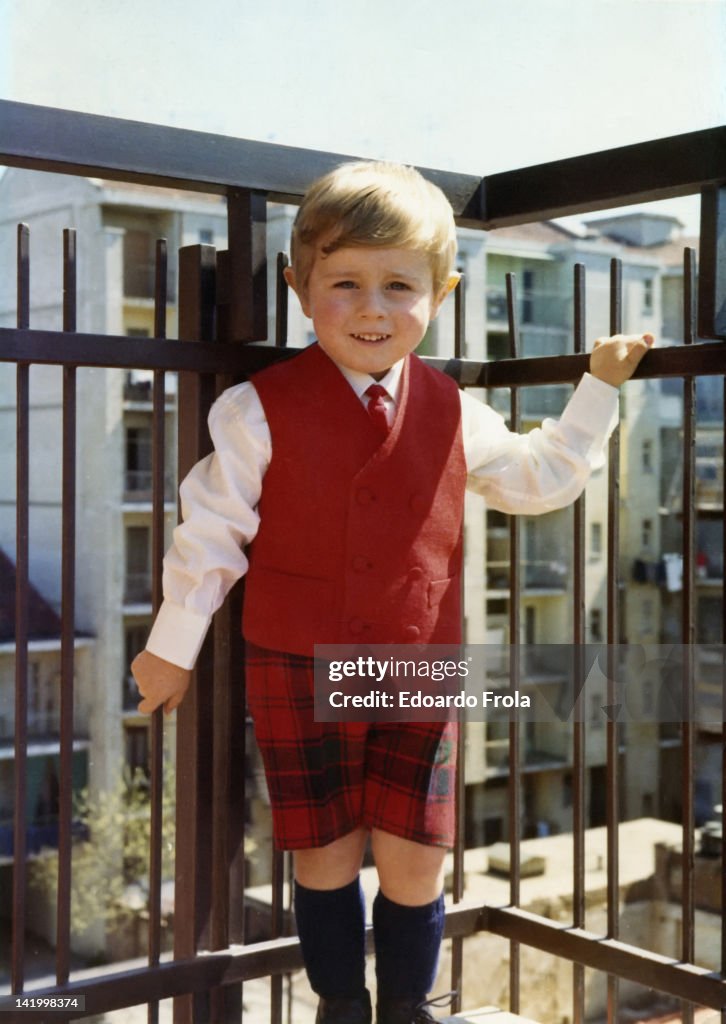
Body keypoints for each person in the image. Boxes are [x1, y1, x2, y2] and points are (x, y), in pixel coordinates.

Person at [132, 160, 653, 1024]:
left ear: (441, 293)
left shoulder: (456, 410)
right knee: (325, 855)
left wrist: (598, 386)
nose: (372, 308)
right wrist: (168, 650)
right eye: (345, 283)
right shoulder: (255, 410)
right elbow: (209, 535)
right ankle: (341, 1005)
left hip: (418, 666)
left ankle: (406, 1008)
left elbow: (542, 478)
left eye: (399, 285)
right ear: (300, 288)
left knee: (417, 858)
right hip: (298, 662)